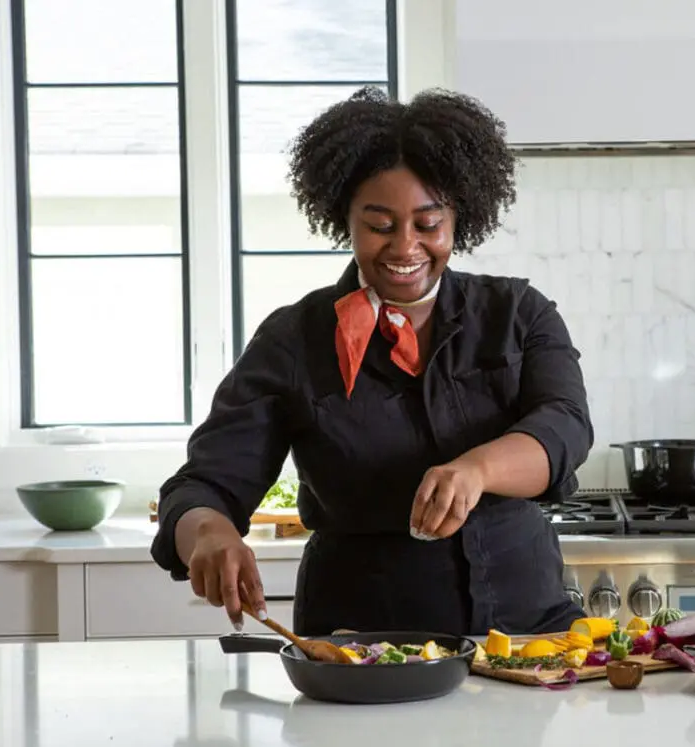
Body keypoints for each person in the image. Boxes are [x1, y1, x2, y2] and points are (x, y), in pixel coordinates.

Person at [150, 86, 594, 638]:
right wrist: (210, 534)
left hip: (527, 633)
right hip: (359, 646)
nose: (406, 247)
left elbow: (565, 425)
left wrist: (477, 469)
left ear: (459, 216)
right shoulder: (295, 339)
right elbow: (205, 484)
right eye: (380, 225)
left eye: (428, 225)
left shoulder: (519, 313)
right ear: (345, 218)